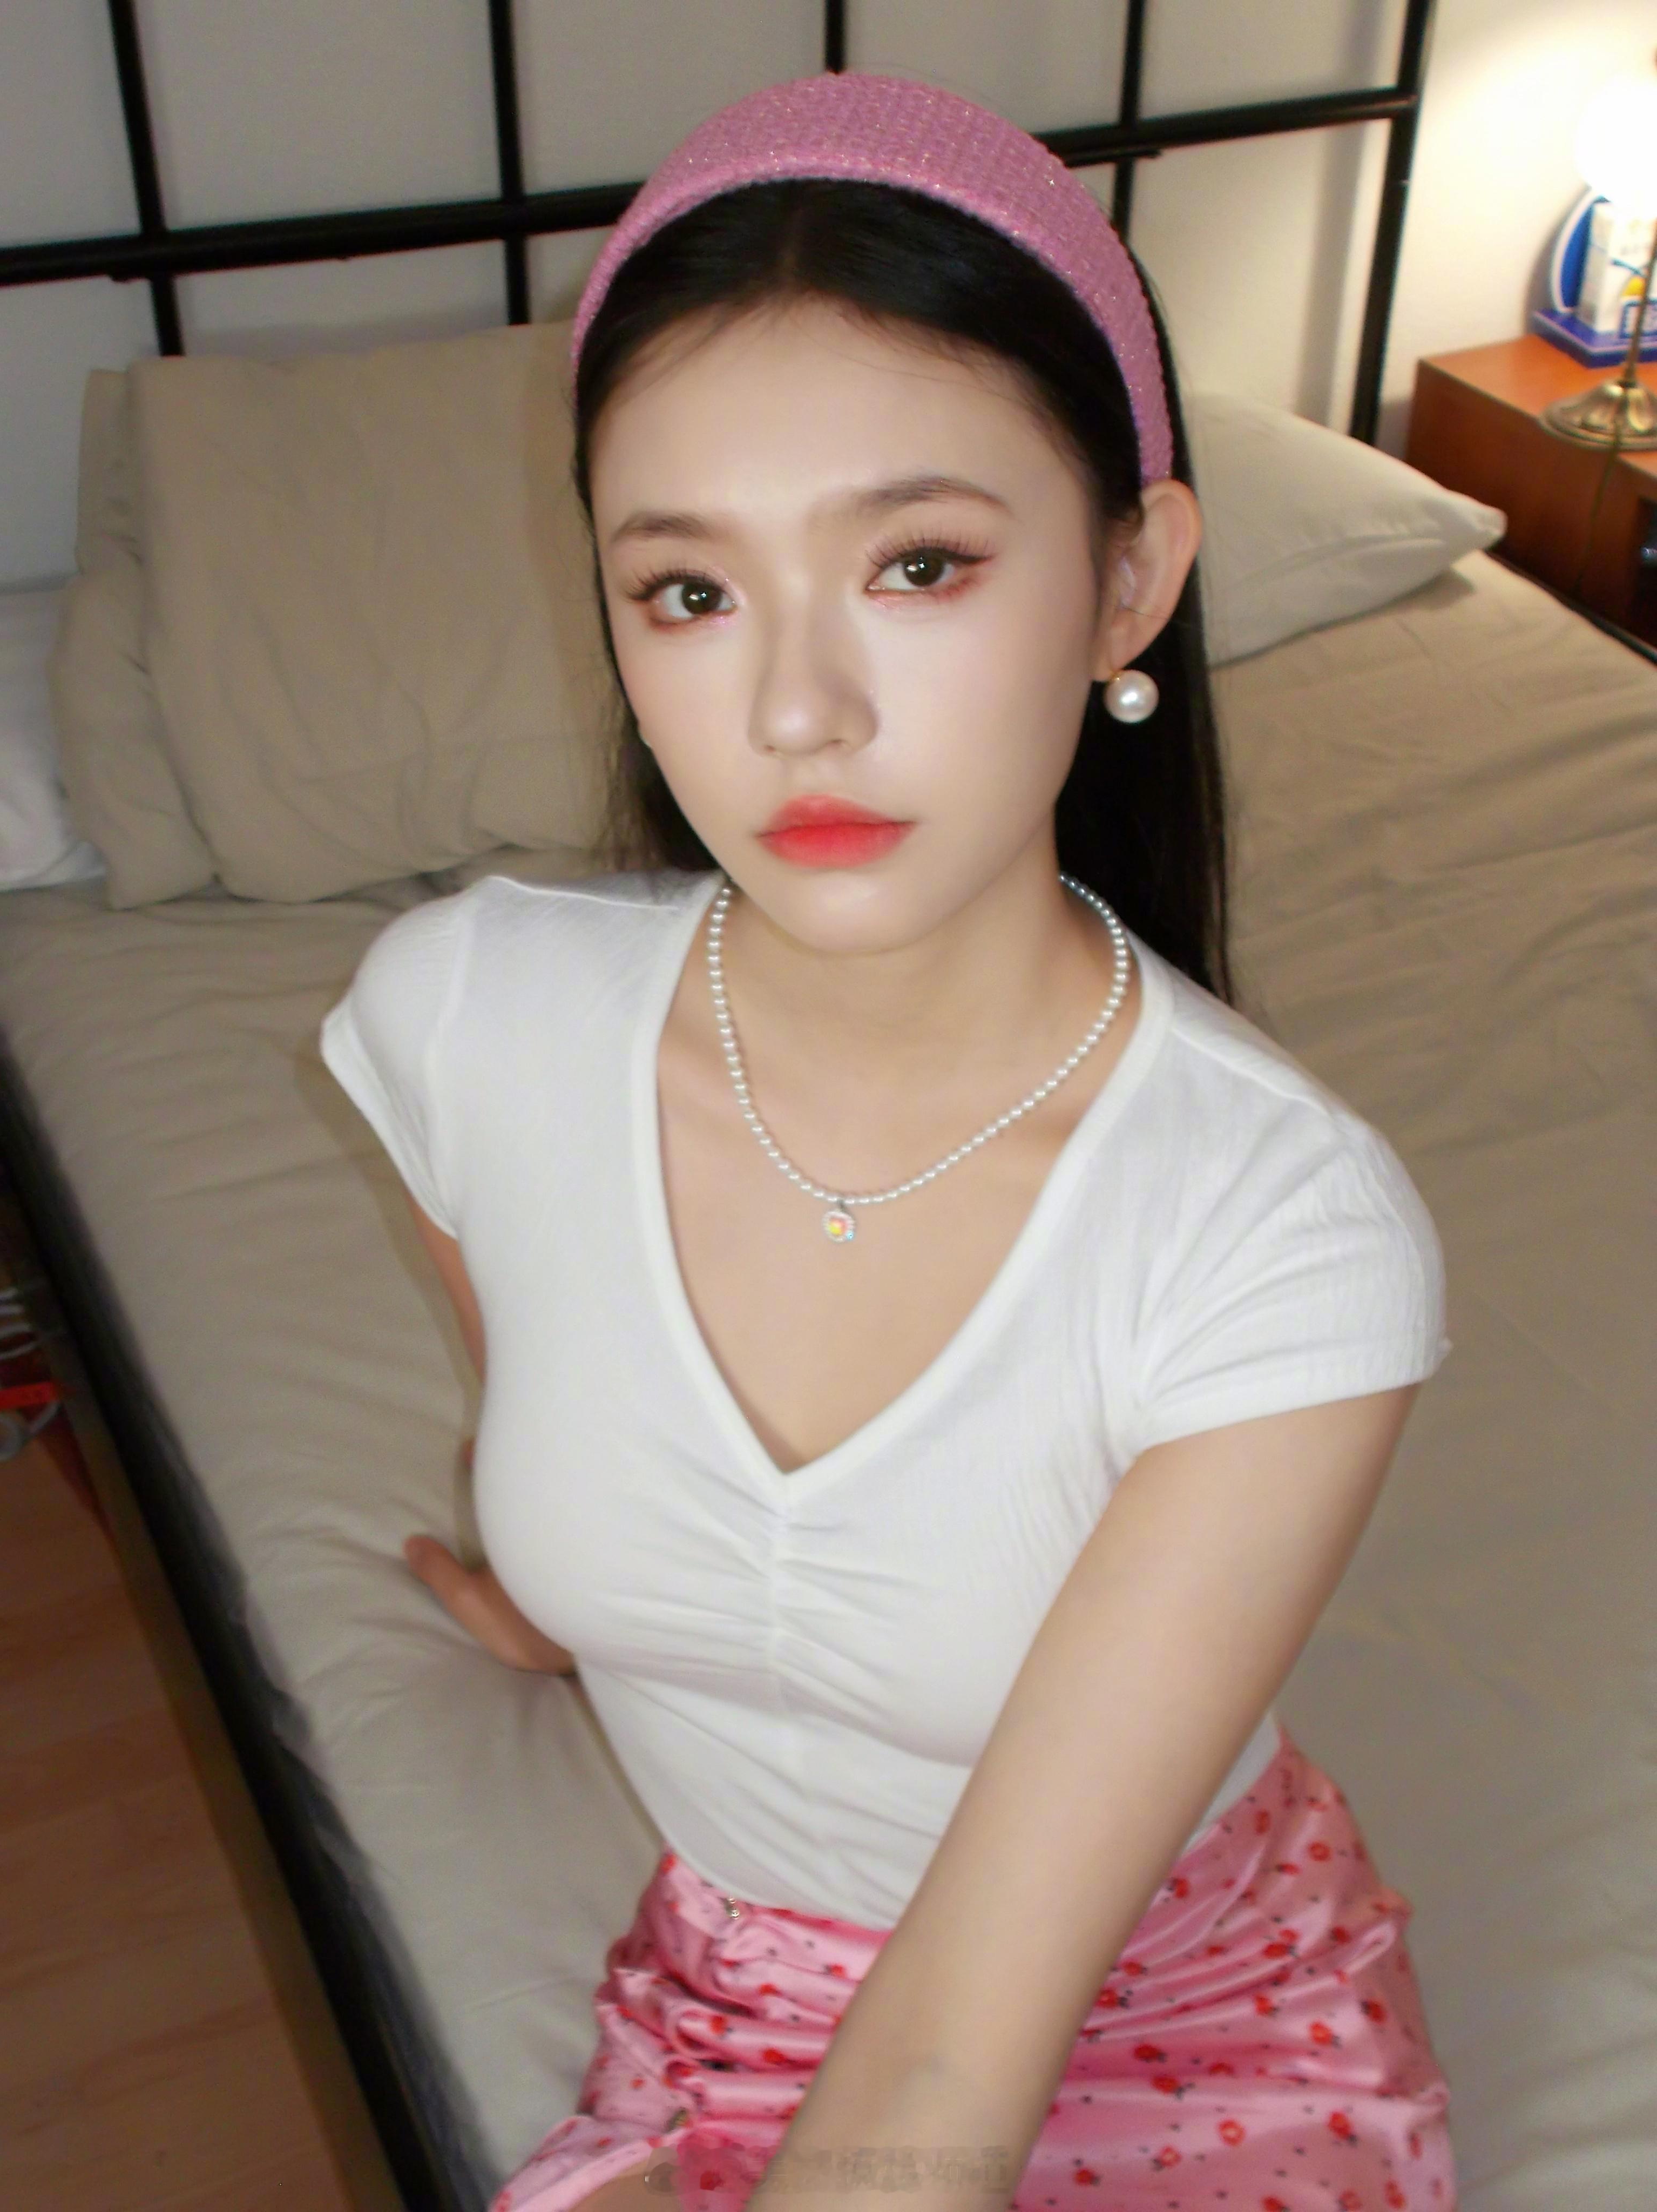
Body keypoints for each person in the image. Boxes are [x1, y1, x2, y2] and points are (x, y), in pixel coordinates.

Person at [320, 71, 1458, 2212]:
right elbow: (549, 1378)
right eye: (689, 592)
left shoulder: (1283, 1235)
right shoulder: (462, 1021)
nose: (795, 714)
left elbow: (951, 2049)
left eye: (918, 565)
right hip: (740, 1993)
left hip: (1187, 2005)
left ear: (1131, 580)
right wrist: (555, 1593)